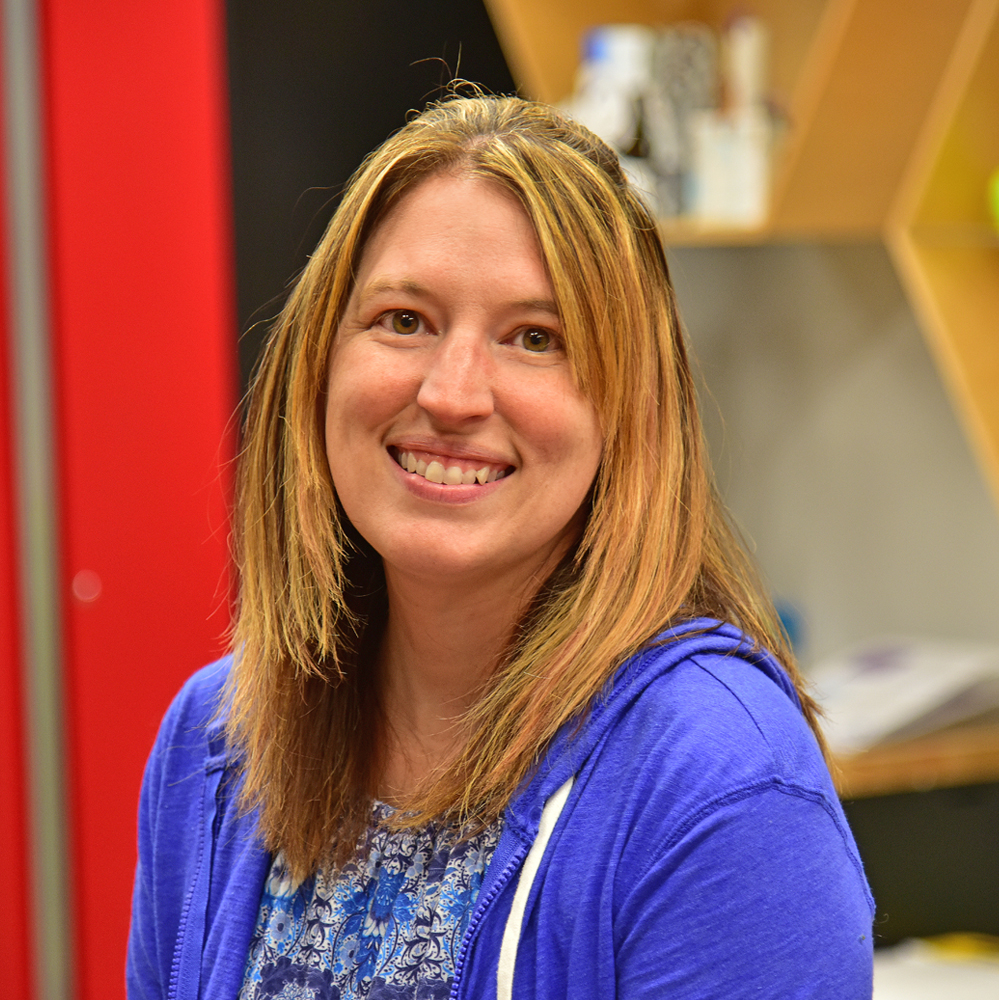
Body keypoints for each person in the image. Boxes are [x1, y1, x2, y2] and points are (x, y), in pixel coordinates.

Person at [127, 94, 874, 1000]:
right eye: (404, 320)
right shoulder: (218, 742)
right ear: (319, 359)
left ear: (630, 416)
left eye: (535, 339)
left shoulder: (719, 783)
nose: (452, 393)